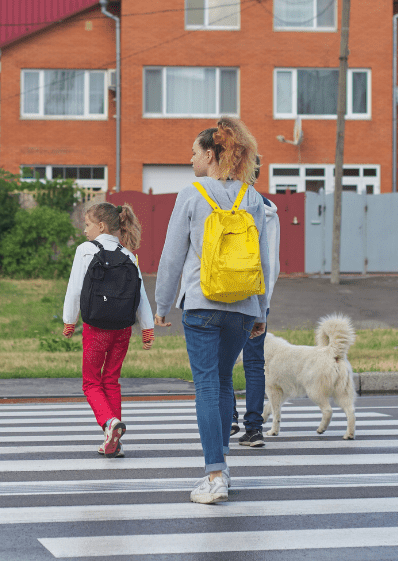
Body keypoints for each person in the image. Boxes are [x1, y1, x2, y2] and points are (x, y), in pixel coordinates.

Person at [154, 117, 271, 504]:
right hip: (242, 307)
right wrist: (261, 311)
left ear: (210, 153)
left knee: (206, 385)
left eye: (193, 153)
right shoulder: (251, 197)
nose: (190, 160)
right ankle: (222, 467)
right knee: (222, 382)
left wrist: (161, 304)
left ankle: (215, 474)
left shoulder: (191, 194)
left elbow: (172, 255)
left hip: (202, 305)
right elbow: (263, 261)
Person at [62, 202, 155, 458]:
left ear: (101, 226)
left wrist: (69, 321)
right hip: (123, 330)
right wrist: (147, 328)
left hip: (96, 329)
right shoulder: (128, 255)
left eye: (88, 225)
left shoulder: (85, 250)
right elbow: (141, 296)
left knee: (91, 382)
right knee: (111, 380)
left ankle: (109, 424)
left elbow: (75, 289)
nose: (85, 231)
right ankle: (115, 441)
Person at [232, 164, 281, 448]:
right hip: (257, 298)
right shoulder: (269, 211)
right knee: (254, 364)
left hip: (224, 296)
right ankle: (254, 428)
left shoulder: (221, 203)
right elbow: (270, 265)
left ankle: (229, 420)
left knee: (221, 362)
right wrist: (265, 305)